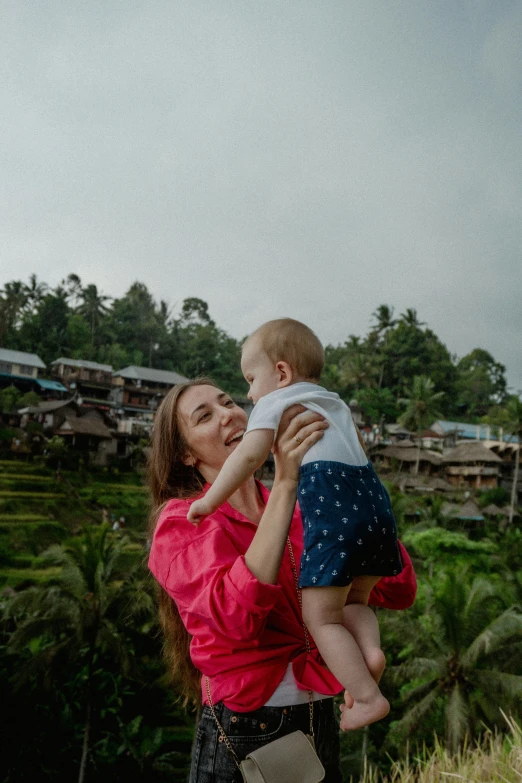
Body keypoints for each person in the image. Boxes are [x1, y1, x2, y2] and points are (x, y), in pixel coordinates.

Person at [148, 378, 417, 782]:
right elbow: (237, 620)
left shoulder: (310, 508)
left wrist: (351, 481)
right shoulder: (182, 523)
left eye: (228, 402)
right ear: (185, 454)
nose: (229, 415)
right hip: (245, 730)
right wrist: (287, 482)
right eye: (205, 416)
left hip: (320, 718)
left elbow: (398, 588)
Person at [188, 319, 403, 731]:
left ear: (281, 374)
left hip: (336, 518)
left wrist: (208, 501)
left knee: (320, 618)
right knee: (354, 602)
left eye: (249, 382)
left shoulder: (276, 401)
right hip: (376, 510)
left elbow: (248, 459)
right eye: (204, 415)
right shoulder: (333, 401)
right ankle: (369, 653)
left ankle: (368, 696)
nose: (247, 397)